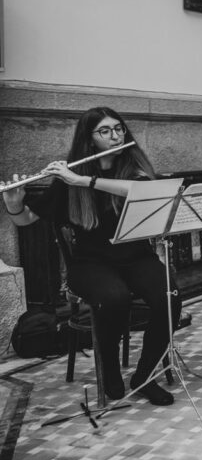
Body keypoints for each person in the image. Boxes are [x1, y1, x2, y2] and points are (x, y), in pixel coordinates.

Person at [2, 107, 180, 406]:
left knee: (169, 297)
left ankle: (145, 376)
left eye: (119, 128)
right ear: (89, 138)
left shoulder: (132, 169)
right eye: (106, 131)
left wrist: (83, 182)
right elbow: (26, 220)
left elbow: (140, 190)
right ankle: (108, 368)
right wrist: (14, 204)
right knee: (114, 298)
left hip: (136, 255)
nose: (116, 136)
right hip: (90, 263)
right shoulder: (70, 176)